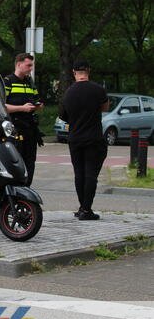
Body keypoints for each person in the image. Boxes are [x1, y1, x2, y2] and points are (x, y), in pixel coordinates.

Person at [59, 60, 109, 220]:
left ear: (74, 72)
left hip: (75, 139)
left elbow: (63, 116)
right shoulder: (98, 90)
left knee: (79, 173)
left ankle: (82, 207)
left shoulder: (68, 92)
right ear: (89, 71)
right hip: (94, 138)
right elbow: (105, 108)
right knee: (91, 174)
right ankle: (87, 209)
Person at [4, 53, 43, 186]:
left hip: (30, 128)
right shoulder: (8, 81)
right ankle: (15, 189)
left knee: (30, 161)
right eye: (28, 65)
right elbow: (1, 106)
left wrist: (38, 105)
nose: (31, 68)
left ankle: (26, 189)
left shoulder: (30, 82)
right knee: (16, 161)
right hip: (14, 129)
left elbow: (37, 100)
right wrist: (22, 108)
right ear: (19, 64)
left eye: (31, 66)